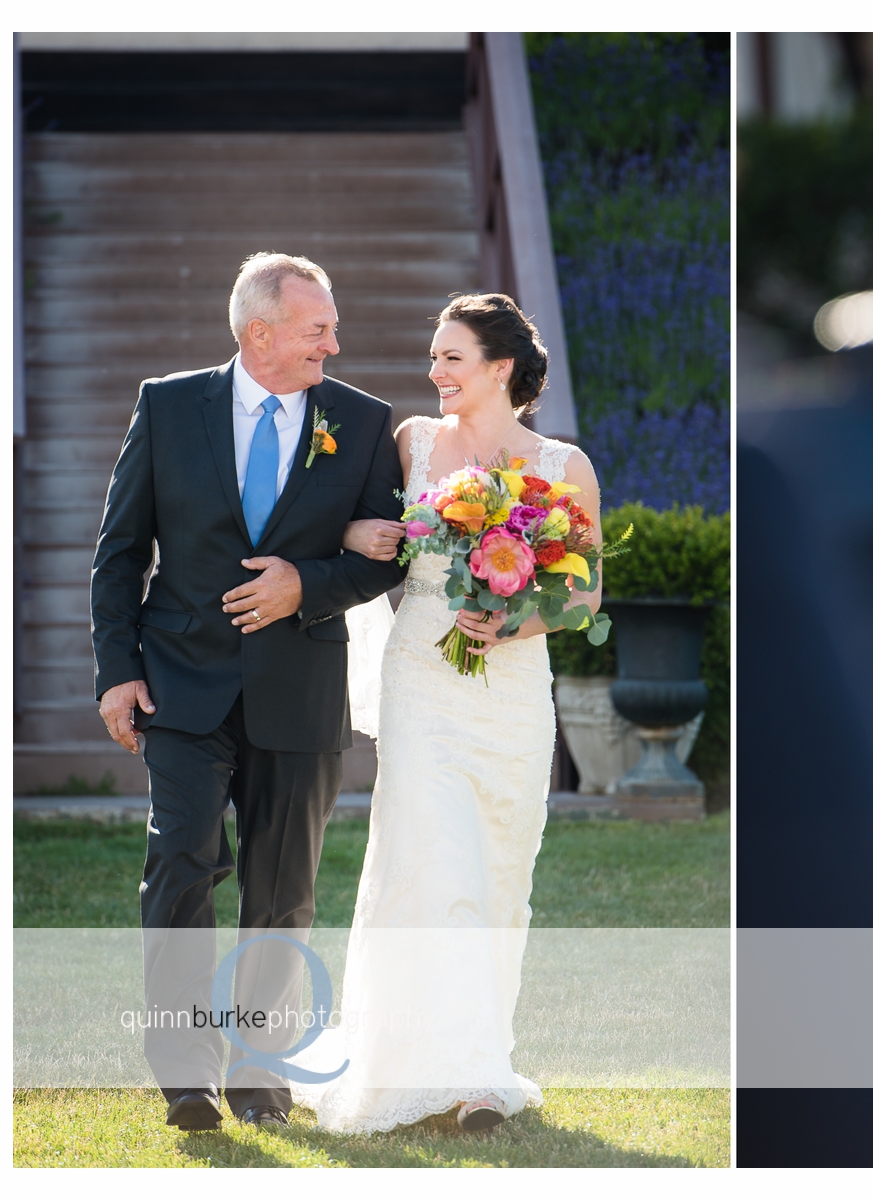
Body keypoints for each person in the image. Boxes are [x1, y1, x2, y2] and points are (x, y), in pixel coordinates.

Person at [91, 252, 409, 1132]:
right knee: (180, 865)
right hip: (180, 686)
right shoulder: (167, 404)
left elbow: (388, 552)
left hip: (300, 690)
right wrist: (117, 671)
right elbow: (120, 553)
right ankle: (186, 1074)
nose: (334, 345)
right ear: (257, 333)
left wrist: (306, 583)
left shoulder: (363, 420)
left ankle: (261, 1079)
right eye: (318, 330)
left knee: (282, 888)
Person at [289, 293, 603, 1134]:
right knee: (434, 865)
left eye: (451, 358)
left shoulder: (563, 465)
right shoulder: (413, 443)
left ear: (500, 368)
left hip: (511, 696)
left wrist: (515, 620)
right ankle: (456, 1078)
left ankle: (479, 1059)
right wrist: (360, 536)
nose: (434, 374)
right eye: (434, 357)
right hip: (422, 680)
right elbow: (363, 528)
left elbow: (584, 593)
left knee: (500, 874)